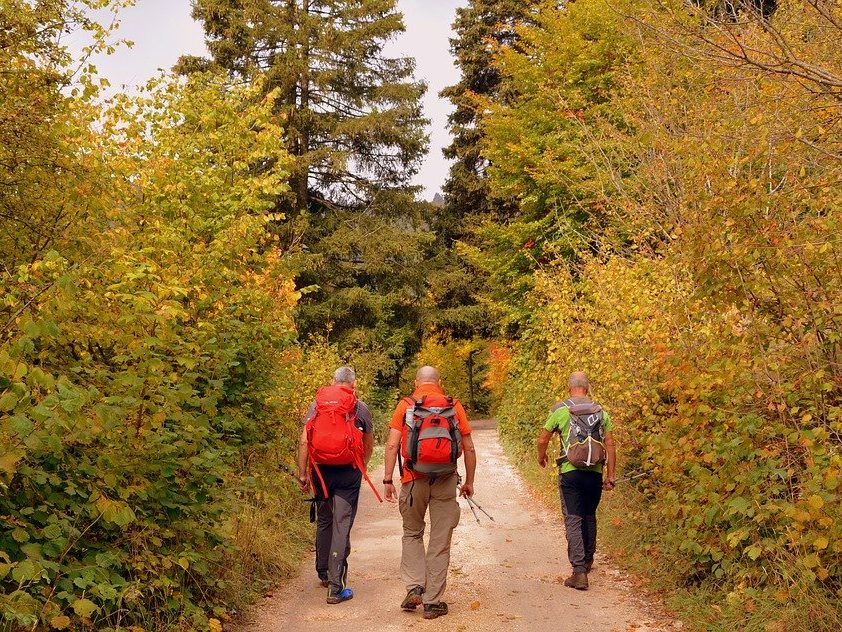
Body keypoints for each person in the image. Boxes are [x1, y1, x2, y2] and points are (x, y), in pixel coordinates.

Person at [383, 366, 477, 620]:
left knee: (412, 533)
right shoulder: (453, 405)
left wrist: (387, 479)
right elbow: (468, 448)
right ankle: (433, 601)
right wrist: (469, 481)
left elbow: (392, 444)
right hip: (446, 480)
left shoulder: (406, 405)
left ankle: (415, 585)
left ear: (416, 382)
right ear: (439, 381)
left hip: (413, 479)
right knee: (439, 539)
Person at [298, 366, 374, 604]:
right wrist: (360, 465)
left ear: (333, 382)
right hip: (348, 473)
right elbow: (368, 443)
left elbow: (304, 442)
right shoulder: (360, 407)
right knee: (342, 524)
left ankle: (323, 572)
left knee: (325, 519)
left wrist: (303, 473)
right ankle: (335, 586)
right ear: (354, 384)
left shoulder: (317, 405)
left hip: (321, 471)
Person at [536, 371, 616, 591]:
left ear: (569, 387)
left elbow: (543, 438)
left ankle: (579, 572)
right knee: (589, 515)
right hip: (595, 471)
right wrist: (610, 475)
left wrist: (541, 456)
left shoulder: (560, 409)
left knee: (573, 517)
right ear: (587, 388)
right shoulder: (601, 411)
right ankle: (588, 559)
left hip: (570, 472)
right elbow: (610, 444)